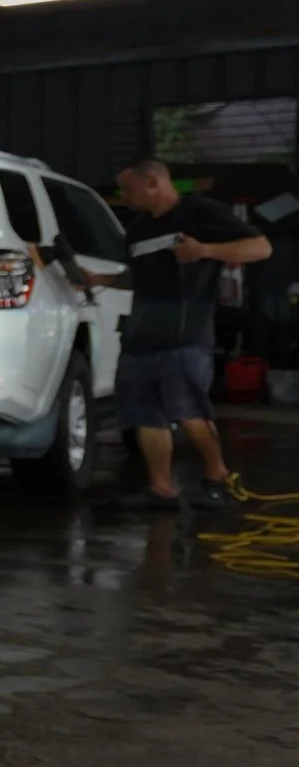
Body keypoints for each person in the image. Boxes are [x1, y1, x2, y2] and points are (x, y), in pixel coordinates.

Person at [86, 158, 272, 510]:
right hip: (141, 336)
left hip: (185, 336)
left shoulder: (200, 213)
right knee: (145, 415)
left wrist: (204, 250)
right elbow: (137, 276)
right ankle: (161, 488)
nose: (124, 196)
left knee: (189, 411)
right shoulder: (138, 228)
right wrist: (100, 280)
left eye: (129, 188)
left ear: (153, 183)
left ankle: (217, 477)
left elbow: (261, 247)